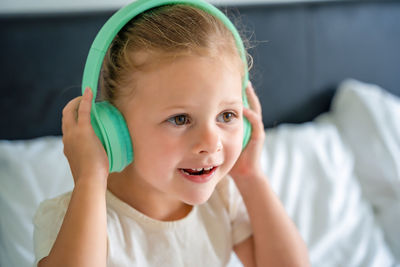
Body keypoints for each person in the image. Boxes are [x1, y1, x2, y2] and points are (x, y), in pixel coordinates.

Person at [33, 3, 309, 267]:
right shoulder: (76, 217)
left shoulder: (223, 199)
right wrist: (90, 178)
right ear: (113, 129)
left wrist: (251, 176)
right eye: (180, 119)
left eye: (227, 115)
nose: (211, 144)